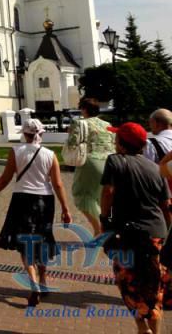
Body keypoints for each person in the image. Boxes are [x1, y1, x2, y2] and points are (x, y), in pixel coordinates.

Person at [0, 119, 72, 307]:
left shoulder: (16, 151)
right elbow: (58, 184)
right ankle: (44, 280)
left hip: (22, 199)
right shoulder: (50, 154)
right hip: (45, 201)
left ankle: (34, 284)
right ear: (41, 134)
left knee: (25, 243)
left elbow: (6, 177)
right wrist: (65, 208)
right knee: (42, 239)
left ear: (24, 134)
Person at [101, 122, 171, 334]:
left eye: (116, 139)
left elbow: (107, 192)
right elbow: (166, 205)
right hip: (155, 234)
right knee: (153, 284)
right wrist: (166, 232)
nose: (114, 142)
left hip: (127, 235)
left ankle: (142, 327)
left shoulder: (115, 160)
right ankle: (154, 329)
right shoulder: (156, 167)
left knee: (127, 281)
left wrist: (104, 219)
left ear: (122, 144)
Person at [65, 97, 115, 235]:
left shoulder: (79, 123)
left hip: (90, 162)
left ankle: (99, 229)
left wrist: (70, 133)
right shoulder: (107, 124)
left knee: (83, 195)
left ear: (84, 109)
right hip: (109, 163)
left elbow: (72, 144)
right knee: (100, 196)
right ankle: (103, 228)